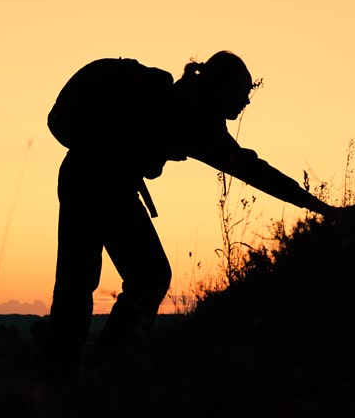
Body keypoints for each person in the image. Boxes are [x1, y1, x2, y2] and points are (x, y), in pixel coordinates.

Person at [44, 50, 339, 381]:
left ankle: (78, 376)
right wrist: (322, 209)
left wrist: (319, 208)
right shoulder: (194, 120)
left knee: (85, 283)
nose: (246, 102)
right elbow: (252, 169)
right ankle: (104, 371)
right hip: (97, 182)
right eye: (243, 92)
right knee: (131, 278)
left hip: (87, 179)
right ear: (222, 88)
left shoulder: (192, 112)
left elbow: (252, 168)